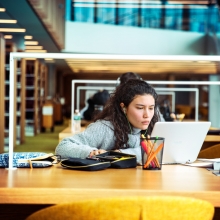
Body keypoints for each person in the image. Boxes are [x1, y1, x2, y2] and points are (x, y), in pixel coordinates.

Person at [55, 79, 160, 164]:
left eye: (151, 108)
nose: (147, 115)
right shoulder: (105, 128)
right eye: (140, 108)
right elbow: (63, 147)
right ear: (124, 108)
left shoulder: (155, 126)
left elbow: (165, 151)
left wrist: (120, 154)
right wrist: (91, 152)